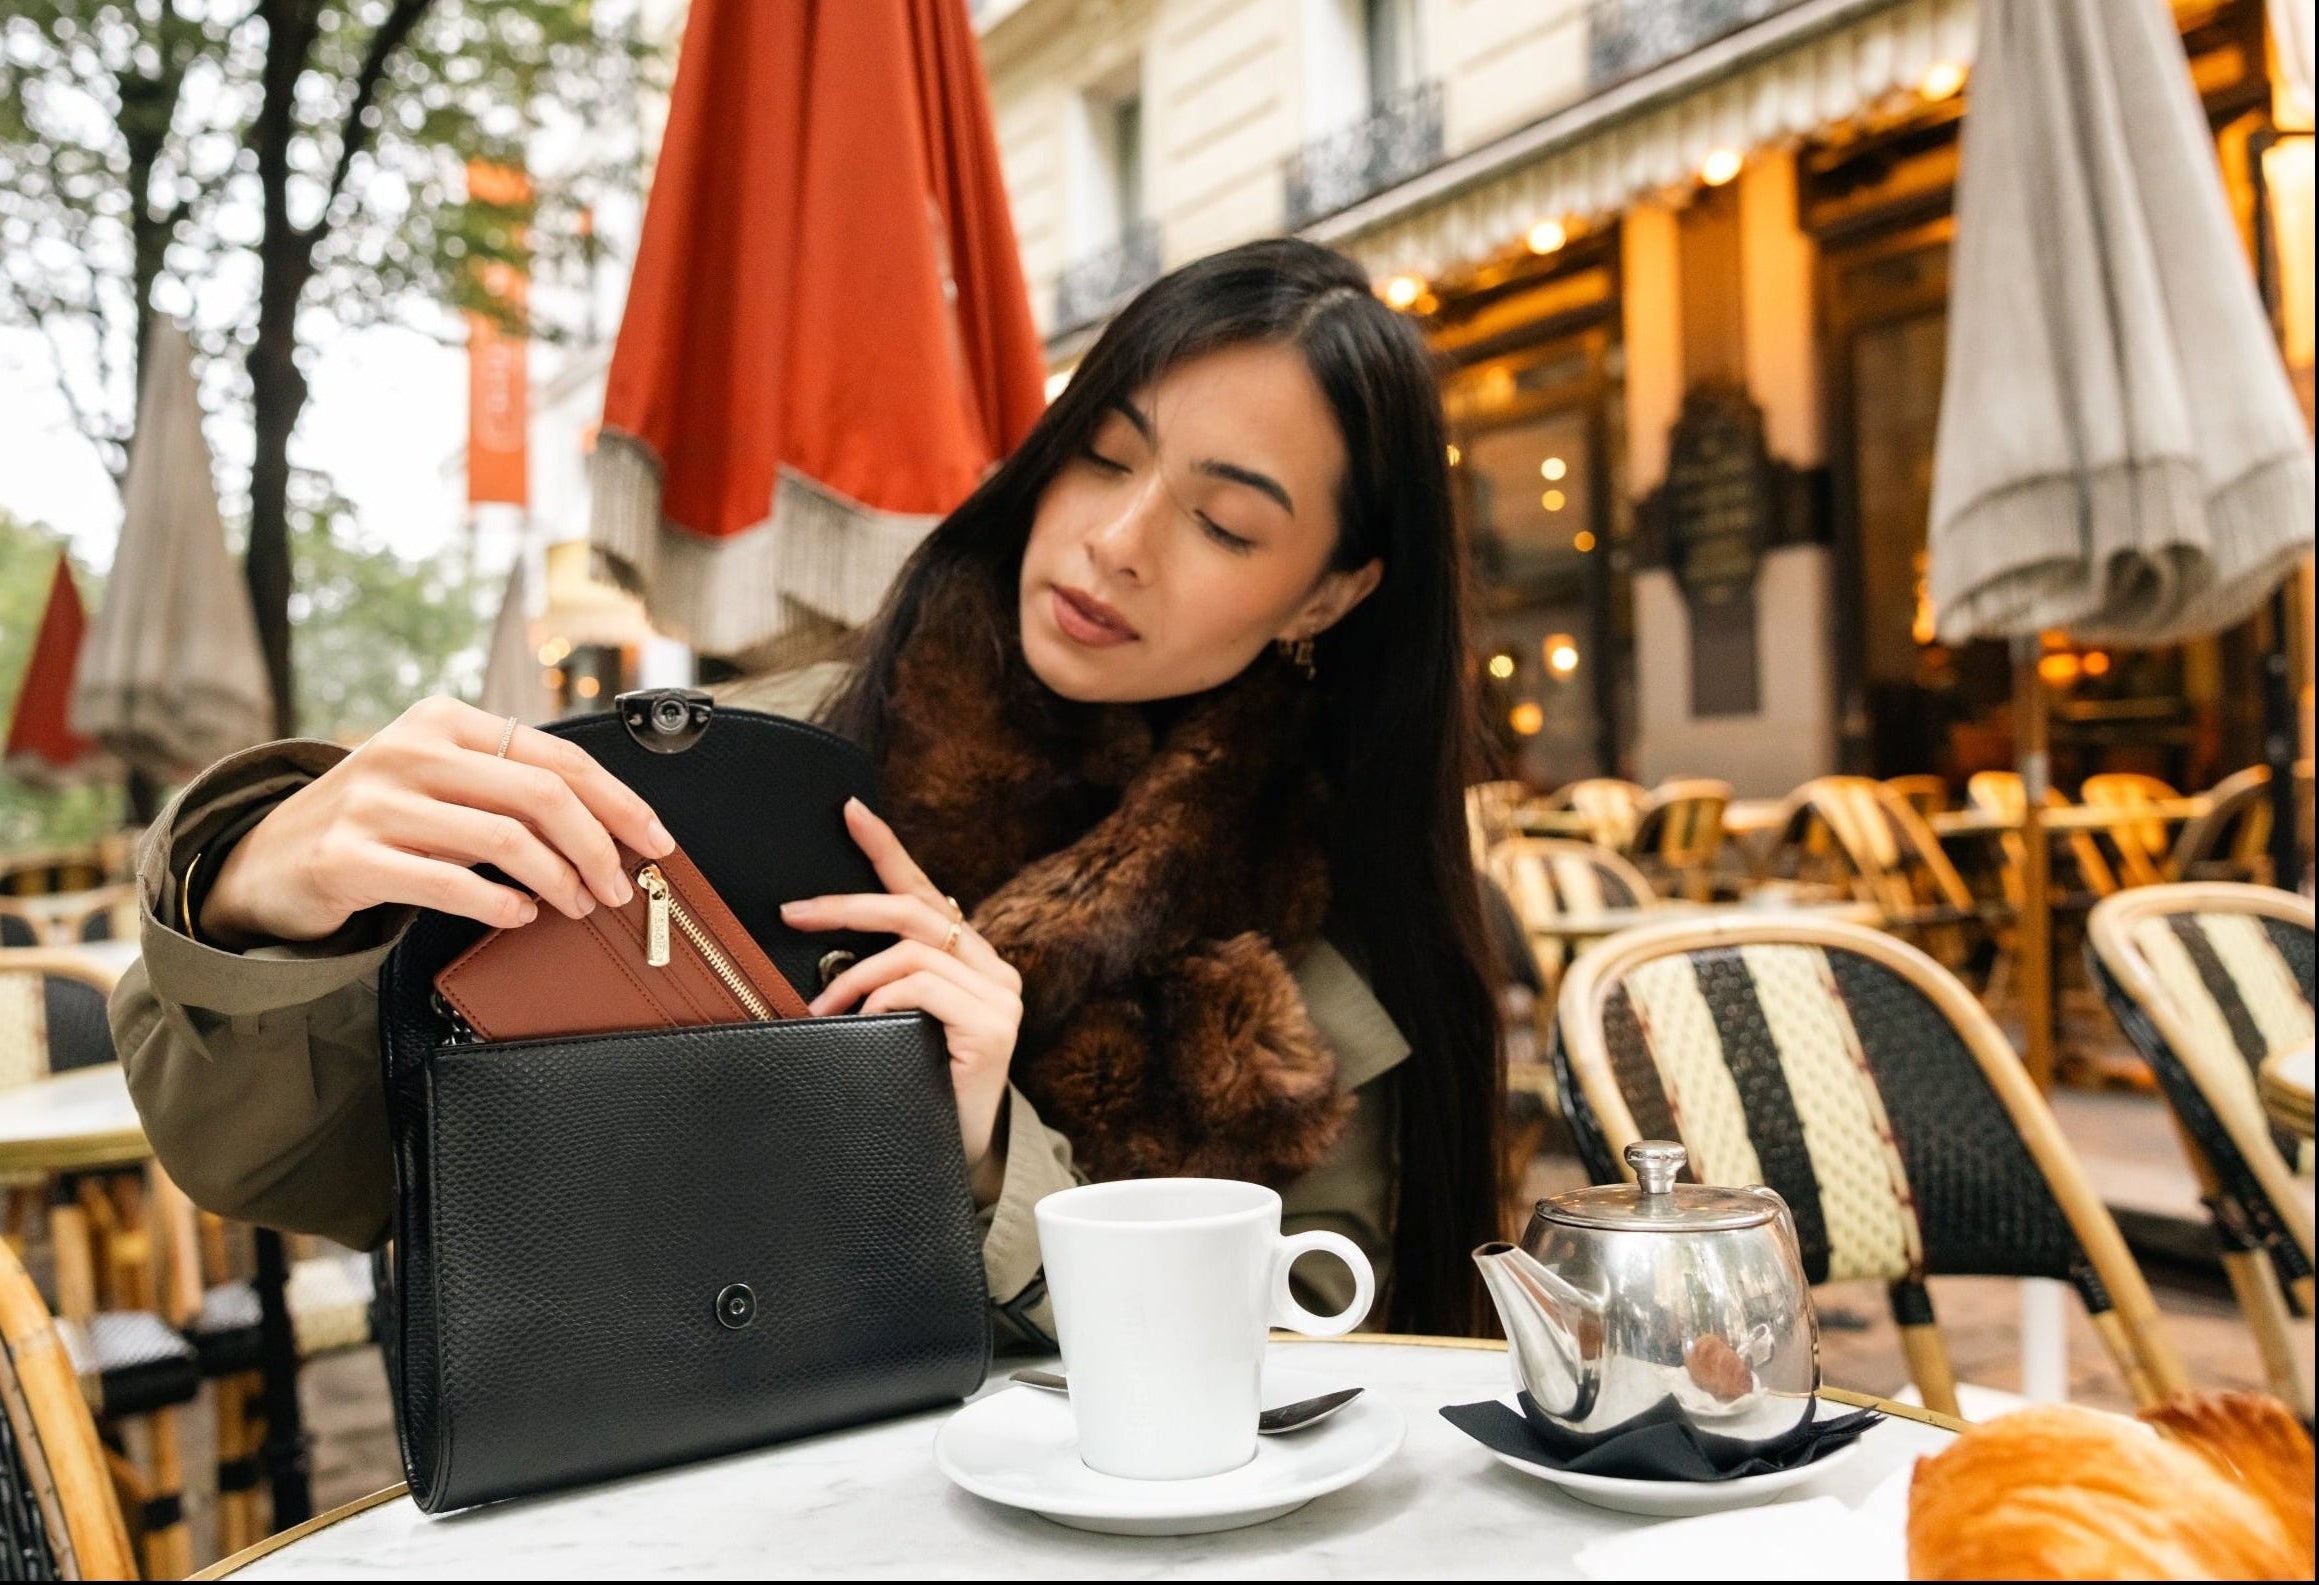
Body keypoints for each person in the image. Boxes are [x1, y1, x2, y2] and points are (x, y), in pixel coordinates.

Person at [112, 238, 1503, 1338]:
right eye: (1106, 454)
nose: (1119, 541)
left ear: (1329, 588)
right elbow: (295, 1168)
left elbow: (1322, 1356)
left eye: (1223, 520)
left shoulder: (1349, 938)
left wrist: (971, 1151)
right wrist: (261, 899)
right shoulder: (721, 770)